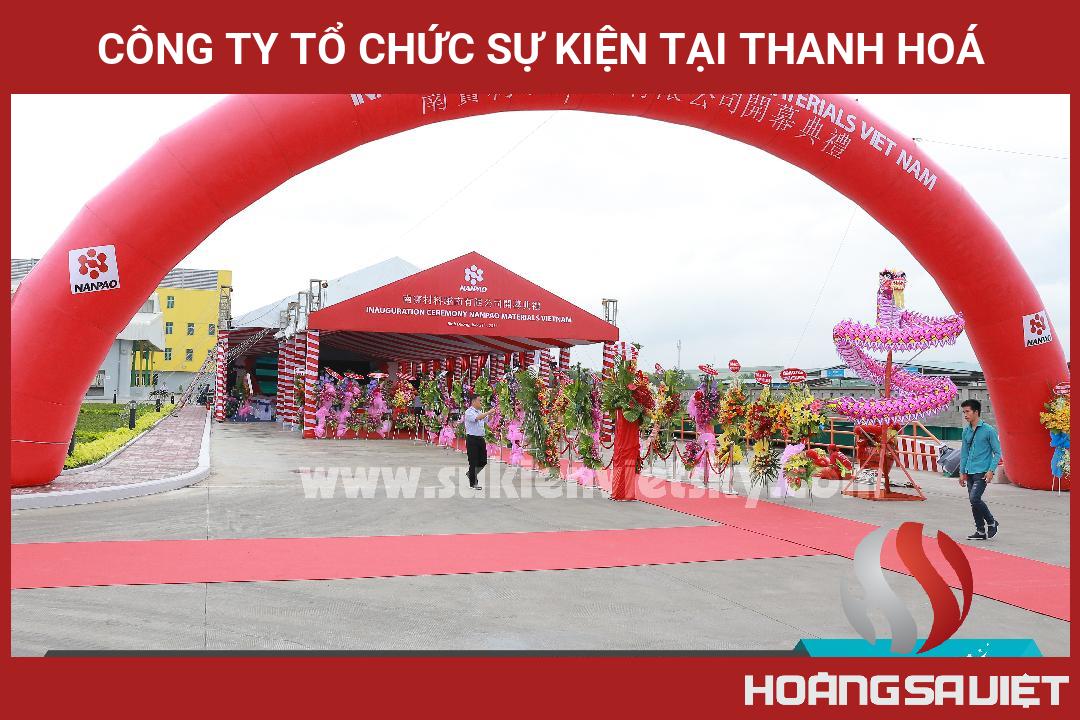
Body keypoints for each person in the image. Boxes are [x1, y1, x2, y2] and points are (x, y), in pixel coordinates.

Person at [959, 399, 1001, 540]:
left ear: (976, 412)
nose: (965, 415)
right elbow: (964, 453)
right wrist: (962, 472)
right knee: (973, 502)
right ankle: (980, 531)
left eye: (967, 411)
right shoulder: (966, 431)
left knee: (975, 498)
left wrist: (991, 470)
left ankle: (991, 522)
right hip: (969, 471)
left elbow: (997, 452)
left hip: (982, 472)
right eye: (964, 412)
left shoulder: (989, 430)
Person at [463, 395, 494, 490]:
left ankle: (471, 474)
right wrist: (488, 412)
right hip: (472, 439)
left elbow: (487, 420)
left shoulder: (480, 411)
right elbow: (477, 418)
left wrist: (491, 414)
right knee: (473, 461)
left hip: (480, 438)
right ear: (473, 402)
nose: (481, 402)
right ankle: (473, 483)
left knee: (483, 461)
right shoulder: (469, 412)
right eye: (479, 400)